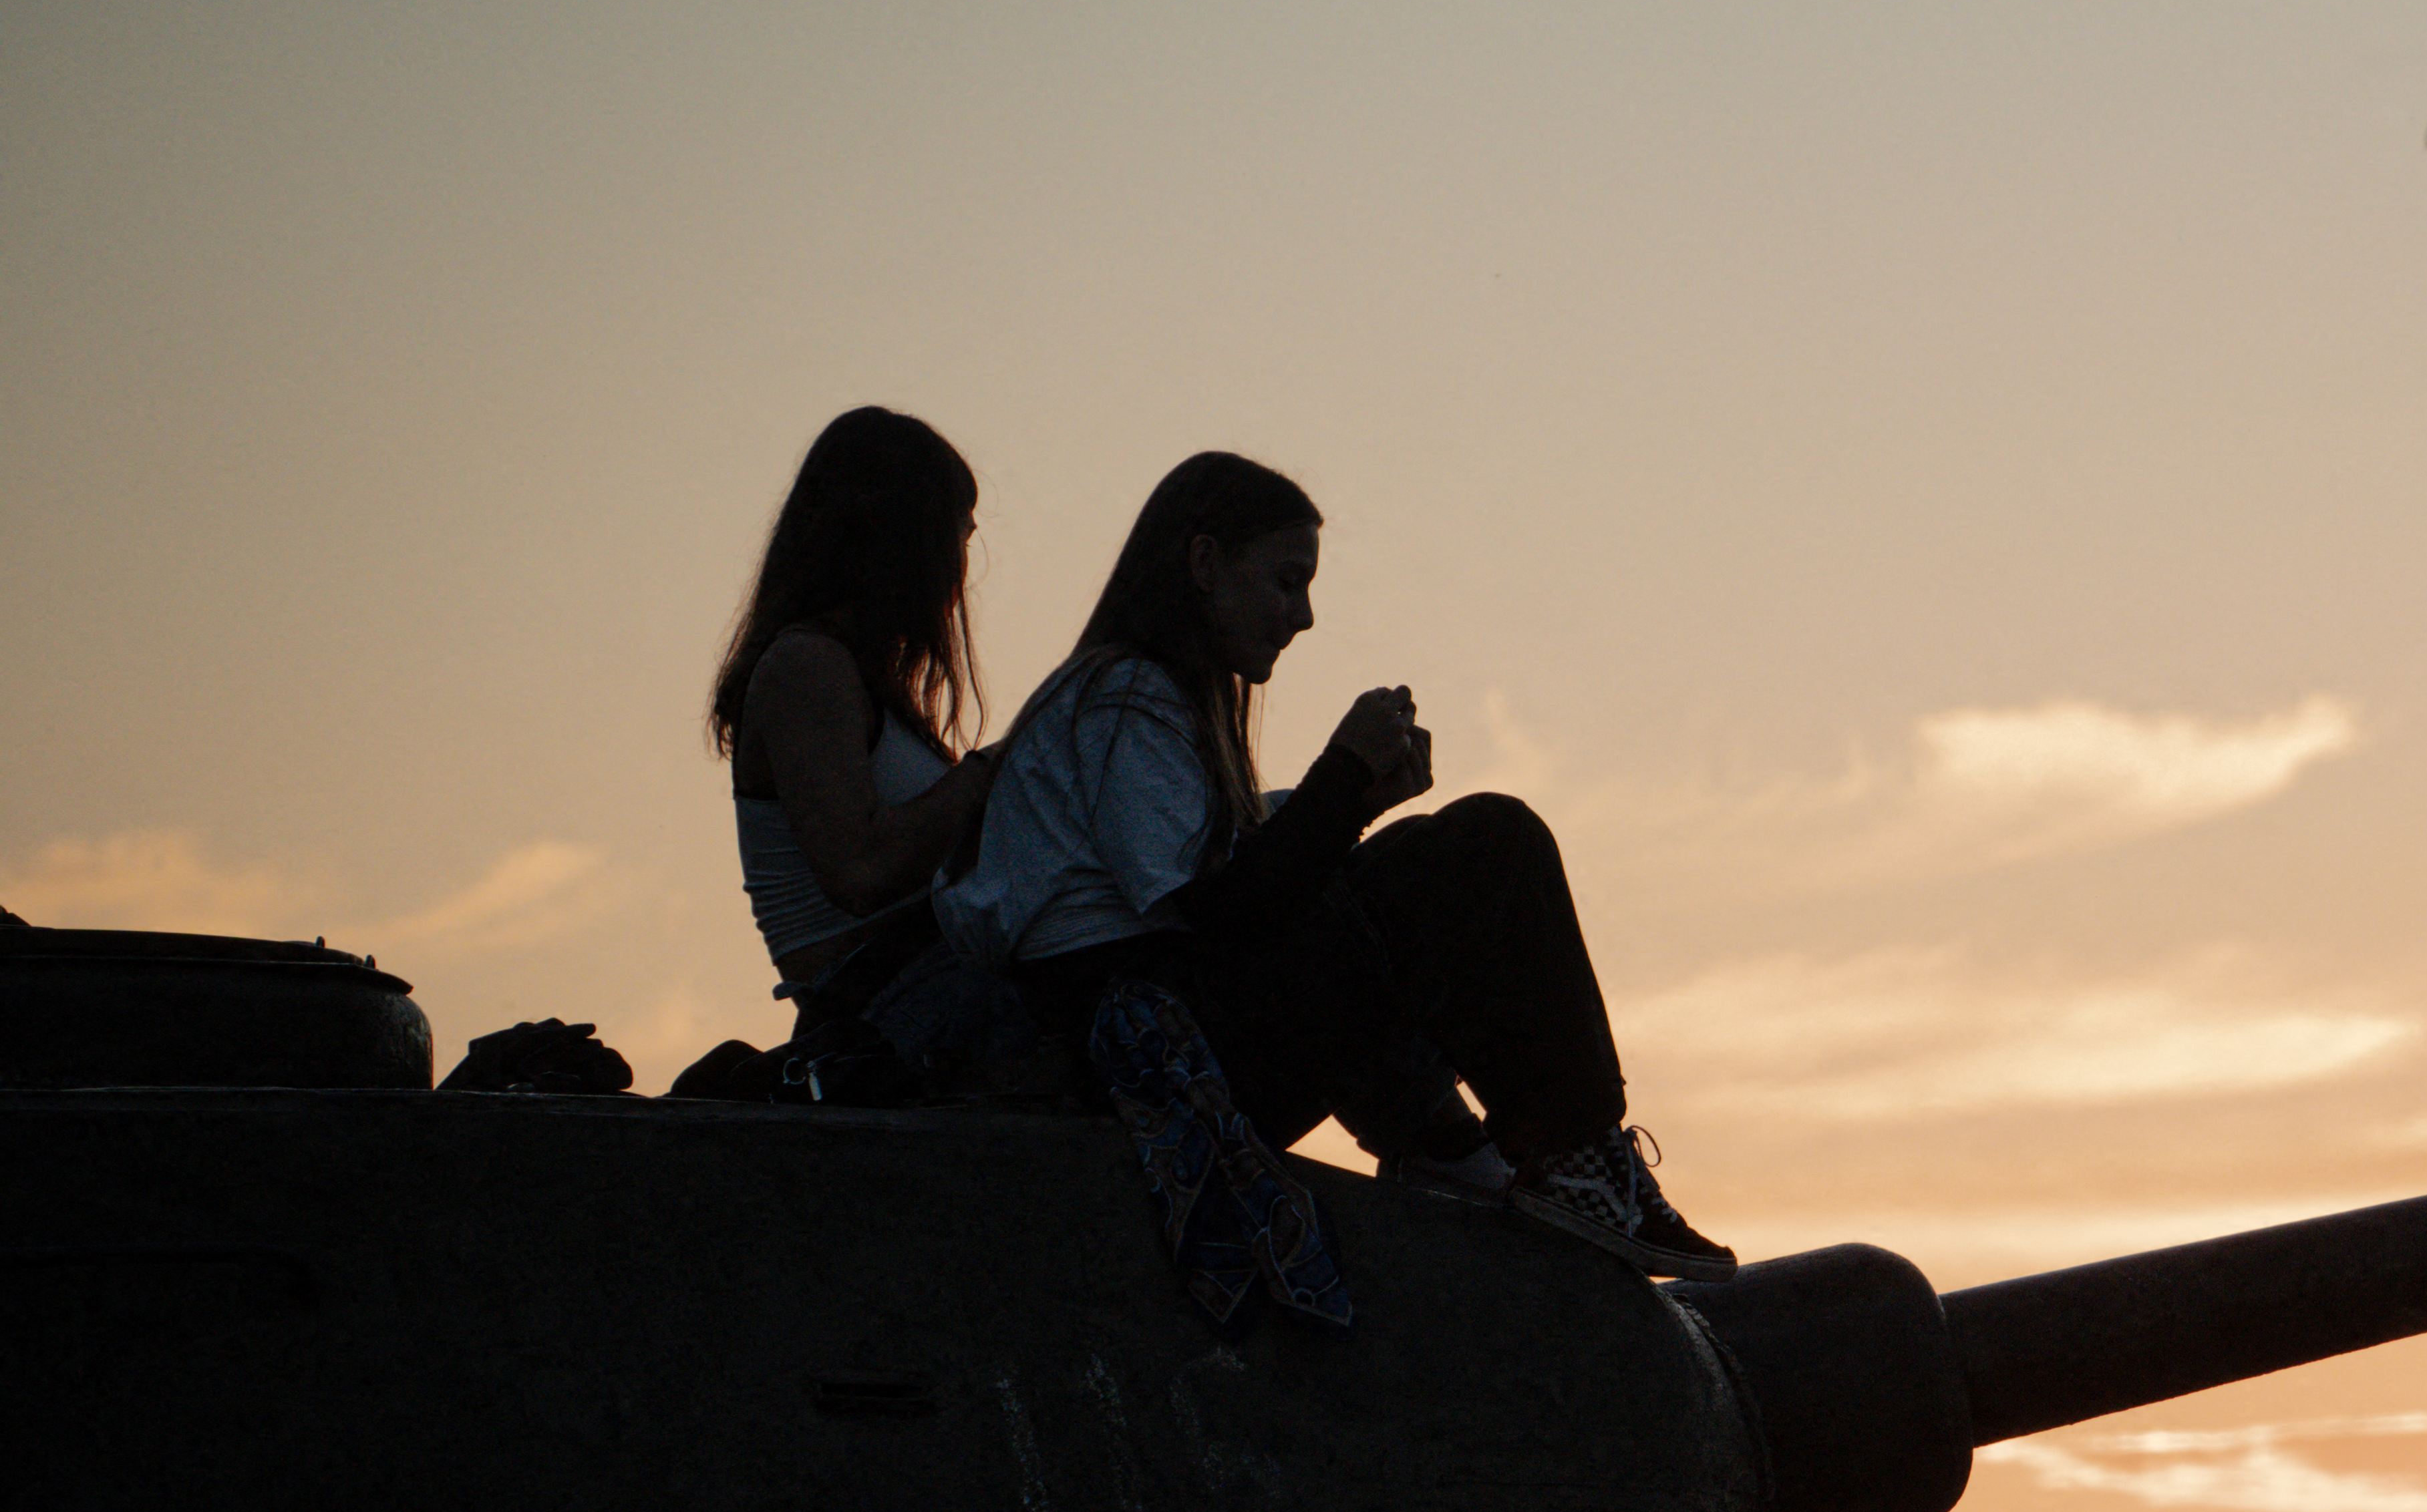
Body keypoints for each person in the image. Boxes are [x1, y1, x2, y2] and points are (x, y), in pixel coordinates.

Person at [937, 448, 1723, 1318]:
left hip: (1173, 1038)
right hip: (1146, 1064)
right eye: (1284, 581)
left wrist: (1355, 801)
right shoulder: (1120, 700)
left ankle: (1484, 1151)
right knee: (1486, 845)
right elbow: (1225, 917)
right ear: (1202, 565)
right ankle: (1570, 1160)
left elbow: (1256, 899)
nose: (1303, 616)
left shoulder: (1150, 709)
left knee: (1426, 863)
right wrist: (1343, 781)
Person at [705, 407, 1034, 1092]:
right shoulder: (806, 667)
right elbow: (859, 871)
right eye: (956, 537)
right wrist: (988, 773)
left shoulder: (861, 680)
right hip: (885, 1014)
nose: (961, 569)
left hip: (923, 998)